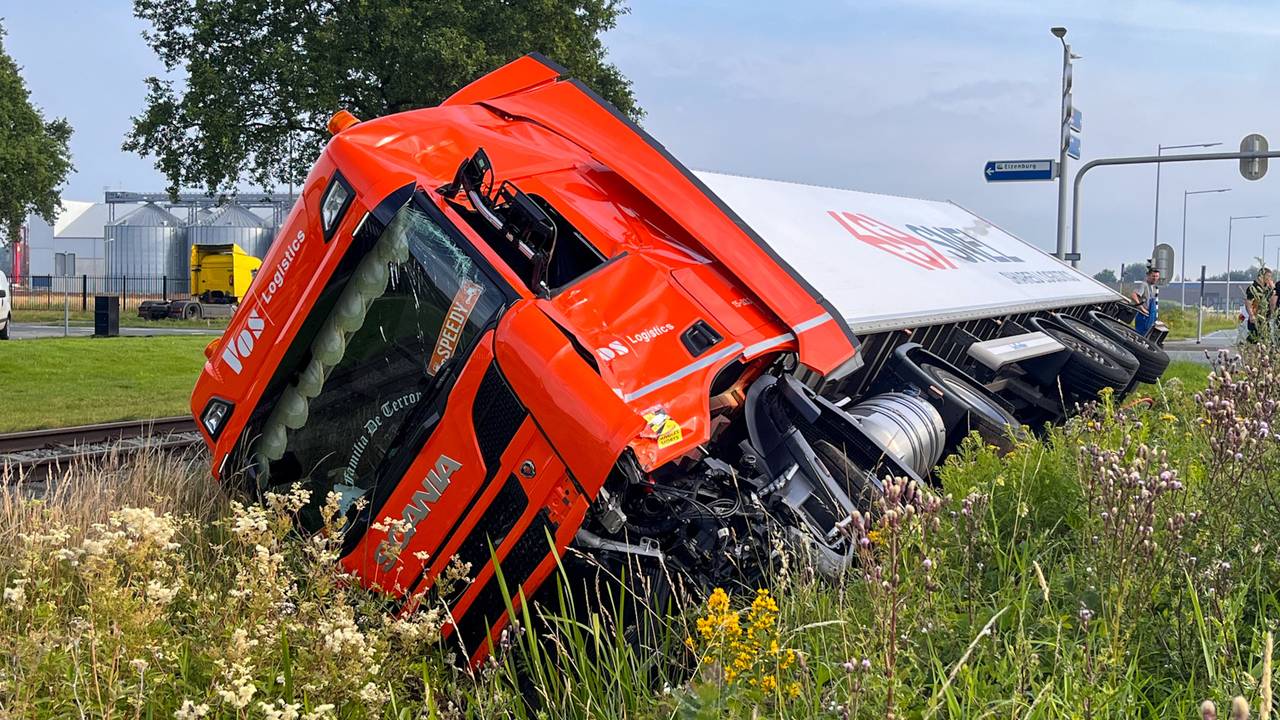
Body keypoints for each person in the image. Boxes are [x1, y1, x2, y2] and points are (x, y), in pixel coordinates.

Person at [1245, 267, 1274, 344]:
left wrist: (1272, 288)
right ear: (1261, 276)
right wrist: (1251, 315)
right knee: (1254, 340)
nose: (1269, 278)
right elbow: (1248, 303)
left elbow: (1272, 300)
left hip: (1265, 319)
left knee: (1266, 340)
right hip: (1256, 318)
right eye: (1268, 276)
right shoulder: (1253, 288)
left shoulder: (1266, 288)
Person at [1130, 264, 1160, 336]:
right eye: (1153, 276)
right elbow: (1133, 295)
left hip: (1151, 316)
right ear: (1148, 276)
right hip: (1143, 316)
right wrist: (1141, 308)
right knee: (1141, 336)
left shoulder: (1155, 288)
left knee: (1148, 336)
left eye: (1156, 276)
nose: (1155, 278)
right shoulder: (1144, 285)